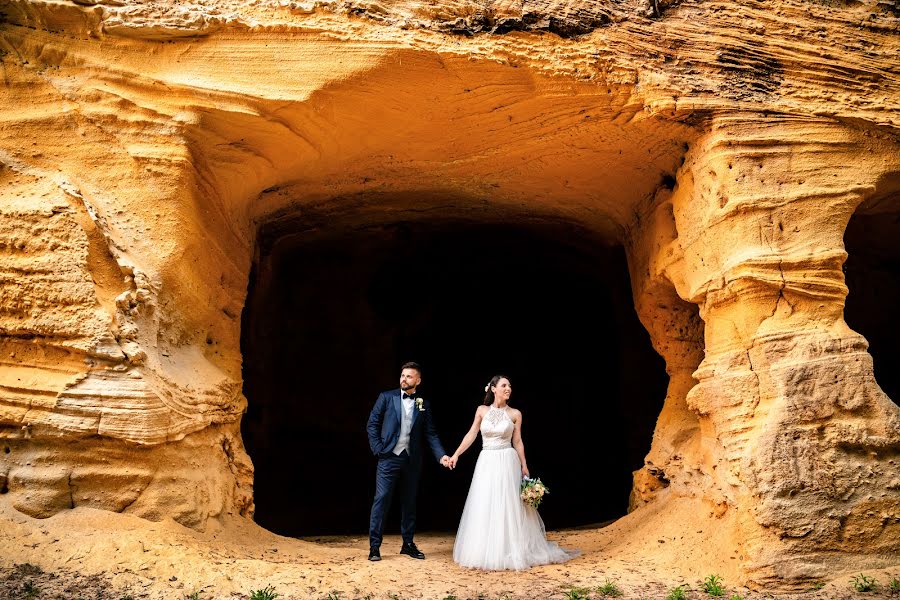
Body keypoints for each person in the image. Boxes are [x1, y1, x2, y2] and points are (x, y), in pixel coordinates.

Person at [447, 375, 578, 570]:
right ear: (493, 389)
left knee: (508, 503)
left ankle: (510, 548)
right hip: (487, 460)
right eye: (504, 385)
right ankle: (487, 550)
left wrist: (524, 465)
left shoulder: (515, 413)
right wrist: (456, 454)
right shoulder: (482, 410)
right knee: (486, 502)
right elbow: (472, 434)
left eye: (509, 386)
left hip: (507, 460)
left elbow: (517, 441)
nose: (508, 388)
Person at [366, 362, 451, 562]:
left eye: (409, 376)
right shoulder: (386, 397)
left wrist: (441, 456)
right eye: (403, 375)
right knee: (382, 499)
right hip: (389, 457)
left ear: (418, 381)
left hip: (412, 460)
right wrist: (378, 448)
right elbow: (372, 424)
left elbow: (430, 434)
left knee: (409, 501)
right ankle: (374, 546)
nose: (404, 379)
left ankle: (408, 544)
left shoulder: (424, 403)